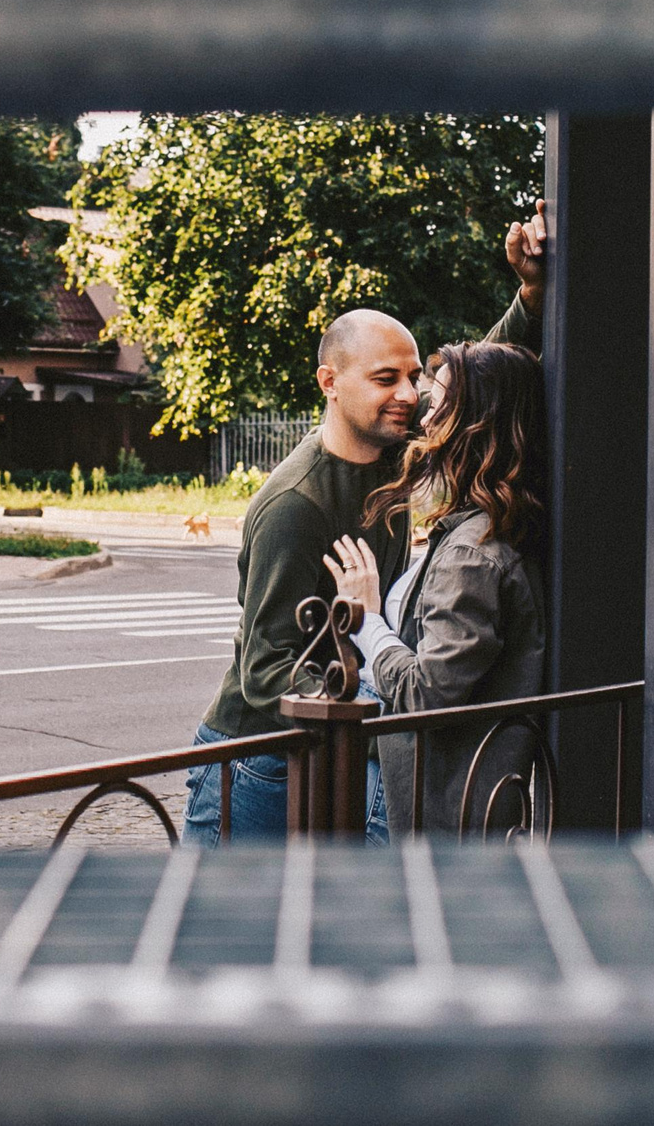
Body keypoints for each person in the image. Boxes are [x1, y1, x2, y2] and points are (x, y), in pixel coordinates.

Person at [178, 205, 549, 844]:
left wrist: (531, 294)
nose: (408, 394)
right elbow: (266, 669)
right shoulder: (295, 504)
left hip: (348, 742)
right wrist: (380, 699)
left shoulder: (400, 445)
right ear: (330, 382)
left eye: (414, 378)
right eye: (385, 379)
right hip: (261, 760)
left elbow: (473, 389)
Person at [324, 339, 549, 840]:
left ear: (475, 423)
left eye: (440, 405)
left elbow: (426, 695)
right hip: (454, 803)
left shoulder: (473, 553)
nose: (425, 420)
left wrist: (367, 620)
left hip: (445, 817)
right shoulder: (490, 528)